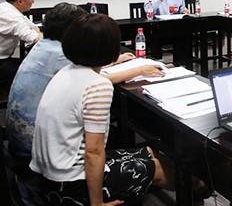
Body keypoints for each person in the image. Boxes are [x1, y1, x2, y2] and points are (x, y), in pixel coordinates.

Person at [30, 14, 174, 205]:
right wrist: (97, 204)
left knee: (149, 151)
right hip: (70, 183)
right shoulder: (98, 86)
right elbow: (94, 152)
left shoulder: (66, 71)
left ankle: (198, 185)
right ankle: (202, 187)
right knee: (156, 167)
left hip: (47, 174)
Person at [6, 3, 165, 166]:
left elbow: (84, 65)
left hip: (24, 136)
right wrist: (140, 70)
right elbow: (98, 79)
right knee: (113, 135)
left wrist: (114, 60)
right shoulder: (60, 54)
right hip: (37, 148)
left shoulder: (45, 45)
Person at [144, 0, 193, 67]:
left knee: (185, 35)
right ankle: (158, 66)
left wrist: (185, 11)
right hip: (158, 28)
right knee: (156, 39)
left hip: (174, 27)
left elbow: (182, 8)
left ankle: (181, 65)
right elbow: (148, 10)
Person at [0, 0, 42, 81]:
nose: (33, 1)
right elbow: (35, 38)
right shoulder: (12, 17)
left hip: (4, 59)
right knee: (34, 70)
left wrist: (37, 33)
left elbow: (34, 28)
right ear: (20, 1)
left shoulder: (7, 8)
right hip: (1, 61)